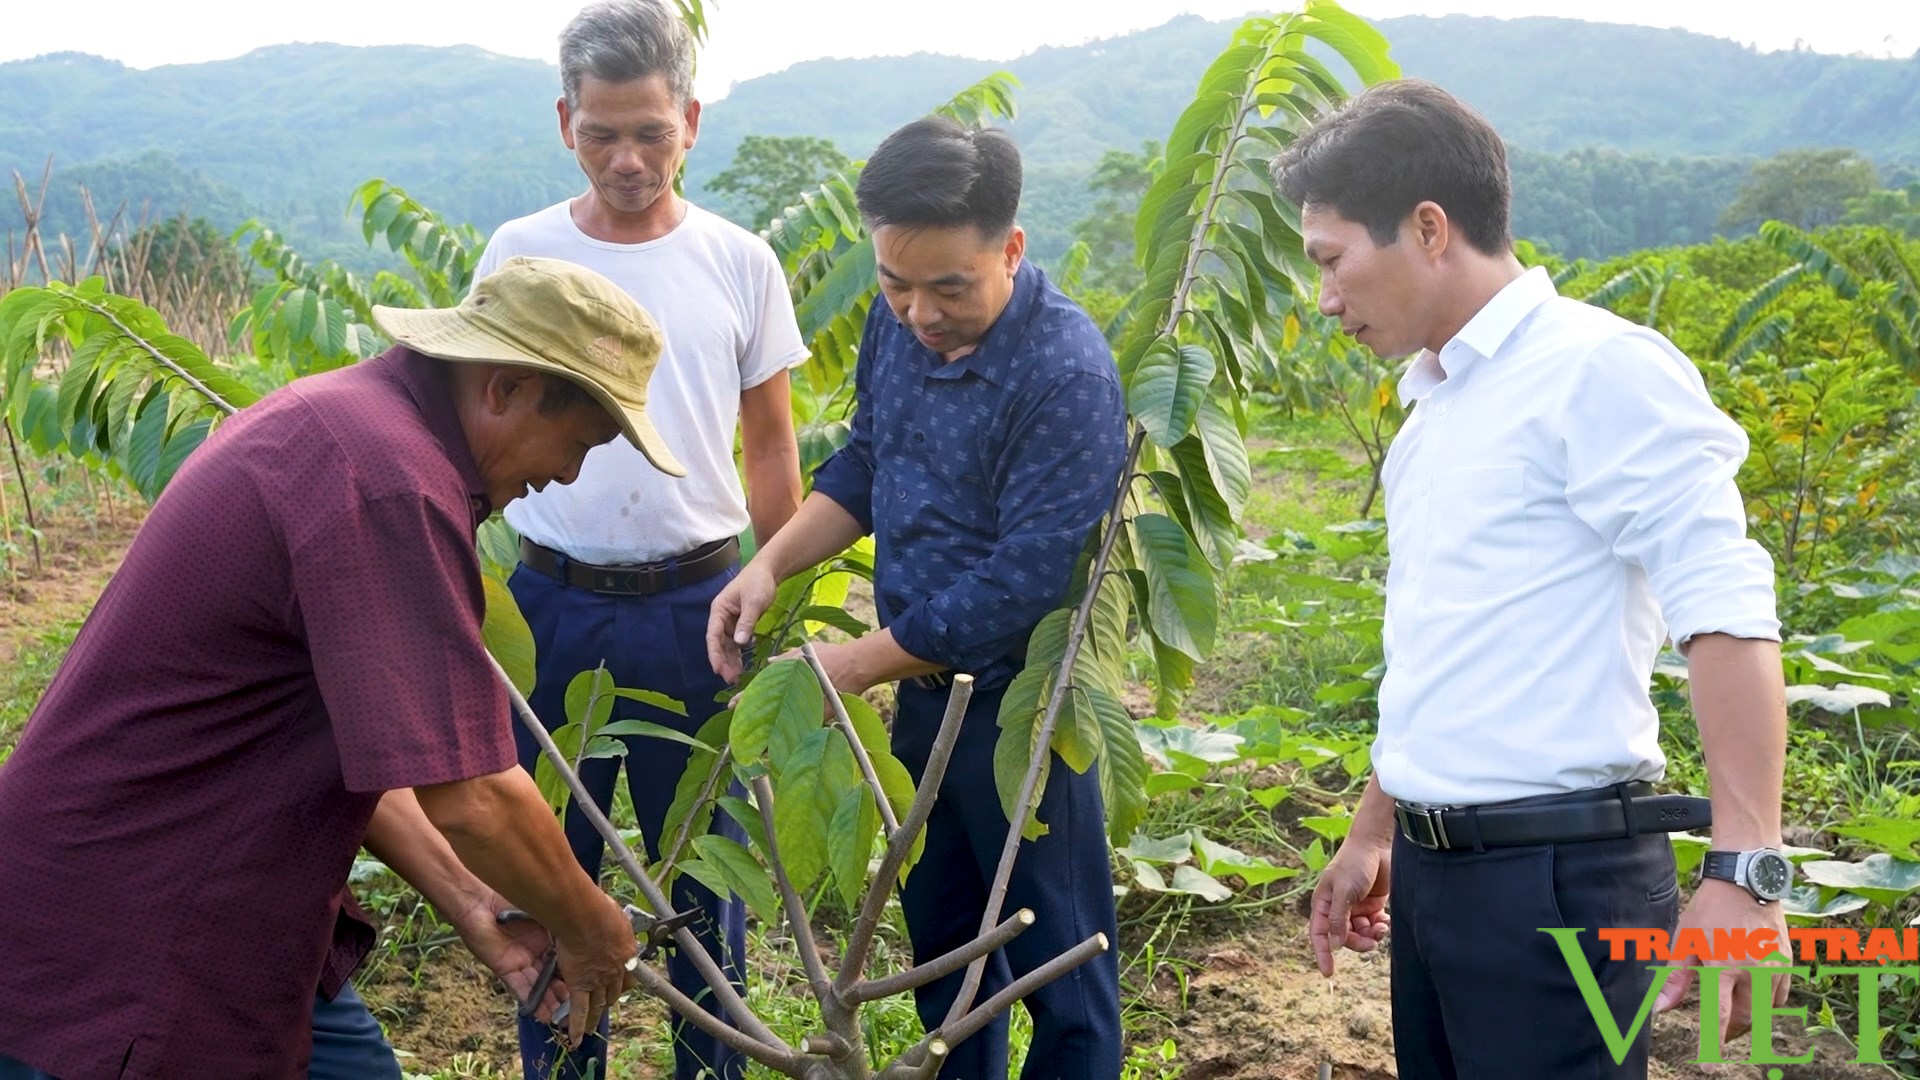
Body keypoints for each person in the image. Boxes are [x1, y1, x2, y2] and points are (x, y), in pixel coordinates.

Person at [0, 255, 686, 1079]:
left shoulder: (355, 423)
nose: (566, 475)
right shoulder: (384, 478)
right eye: (578, 442)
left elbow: (369, 741)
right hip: (135, 916)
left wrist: (475, 904)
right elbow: (470, 795)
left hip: (223, 895)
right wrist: (596, 931)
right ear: (504, 387)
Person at [1275, 79, 1792, 1078]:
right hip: (1437, 881)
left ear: (1428, 228)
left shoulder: (1598, 370)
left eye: (1332, 261)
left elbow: (1724, 611)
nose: (1327, 298)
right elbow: (1445, 646)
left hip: (1559, 884)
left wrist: (1747, 869)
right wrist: (1377, 829)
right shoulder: (1435, 408)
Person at [706, 115, 1129, 1080]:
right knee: (945, 958)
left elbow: (1021, 584)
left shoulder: (1063, 374)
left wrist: (852, 663)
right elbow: (864, 462)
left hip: (1026, 712)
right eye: (895, 282)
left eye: (949, 287)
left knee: (1061, 972)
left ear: (1011, 249)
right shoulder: (896, 334)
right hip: (924, 700)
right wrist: (769, 562)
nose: (919, 312)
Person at [471, 2, 807, 1077]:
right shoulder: (520, 255)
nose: (627, 158)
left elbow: (769, 449)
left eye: (650, 132)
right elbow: (477, 425)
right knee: (550, 868)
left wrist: (778, 592)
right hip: (550, 605)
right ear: (565, 120)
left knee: (703, 872)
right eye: (601, 132)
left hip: (697, 606)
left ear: (692, 122)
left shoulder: (739, 260)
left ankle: (713, 1062)